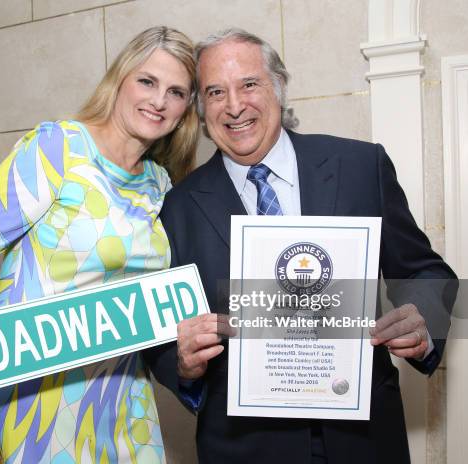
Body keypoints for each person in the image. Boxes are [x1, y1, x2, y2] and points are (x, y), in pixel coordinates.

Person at [0, 26, 199, 464]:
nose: (159, 101)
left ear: (185, 109)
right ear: (120, 79)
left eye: (176, 92)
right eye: (147, 81)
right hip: (41, 394)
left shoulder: (159, 183)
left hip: (123, 394)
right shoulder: (56, 148)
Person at [144, 28, 456, 464]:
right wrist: (182, 362)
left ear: (278, 86)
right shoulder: (177, 207)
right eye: (215, 92)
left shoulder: (360, 166)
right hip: (243, 447)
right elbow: (159, 336)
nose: (234, 106)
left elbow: (427, 273)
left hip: (365, 438)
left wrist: (422, 323)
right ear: (201, 108)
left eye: (249, 84)